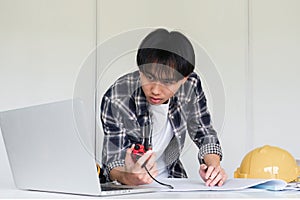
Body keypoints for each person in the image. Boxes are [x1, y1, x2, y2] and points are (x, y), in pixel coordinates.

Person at [100, 28, 227, 187]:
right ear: (140, 70)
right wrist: (128, 177)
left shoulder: (191, 86)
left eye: (167, 82)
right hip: (127, 188)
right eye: (150, 77)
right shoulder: (117, 96)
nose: (155, 90)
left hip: (172, 182)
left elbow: (203, 131)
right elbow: (113, 159)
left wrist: (214, 167)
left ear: (183, 80)